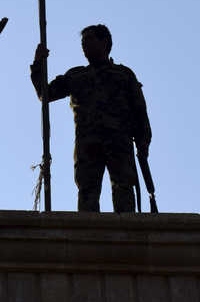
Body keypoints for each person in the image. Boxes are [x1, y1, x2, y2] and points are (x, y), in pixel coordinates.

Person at [30, 25, 151, 213]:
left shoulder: (124, 75)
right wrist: (38, 64)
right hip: (88, 143)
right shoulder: (77, 75)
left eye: (89, 39)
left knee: (123, 188)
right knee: (87, 191)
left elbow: (139, 110)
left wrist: (143, 142)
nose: (84, 44)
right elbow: (45, 94)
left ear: (105, 43)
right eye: (83, 41)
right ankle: (88, 234)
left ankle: (127, 234)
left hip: (118, 141)